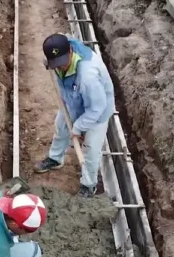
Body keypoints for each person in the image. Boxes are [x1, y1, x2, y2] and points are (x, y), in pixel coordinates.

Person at [34, 33, 115, 198]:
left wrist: (79, 127)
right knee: (61, 127)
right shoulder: (61, 50)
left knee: (90, 150)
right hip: (73, 100)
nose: (60, 67)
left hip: (97, 112)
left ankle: (89, 185)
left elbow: (96, 107)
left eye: (62, 63)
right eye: (55, 64)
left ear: (70, 50)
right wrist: (49, 64)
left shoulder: (88, 76)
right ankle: (55, 159)